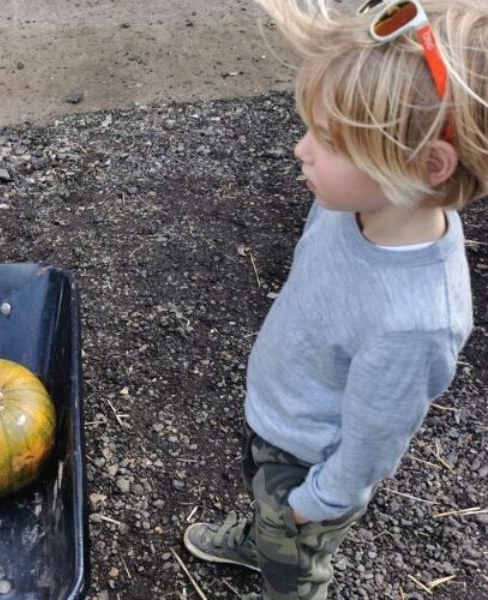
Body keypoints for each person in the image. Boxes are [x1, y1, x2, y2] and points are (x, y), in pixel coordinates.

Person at [182, 0, 487, 597]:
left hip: (308, 468)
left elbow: (373, 444)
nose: (300, 149)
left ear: (425, 166)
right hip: (278, 420)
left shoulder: (416, 323)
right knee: (266, 507)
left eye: (325, 139)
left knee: (293, 567)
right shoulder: (344, 206)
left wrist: (308, 506)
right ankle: (261, 538)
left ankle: (279, 558)